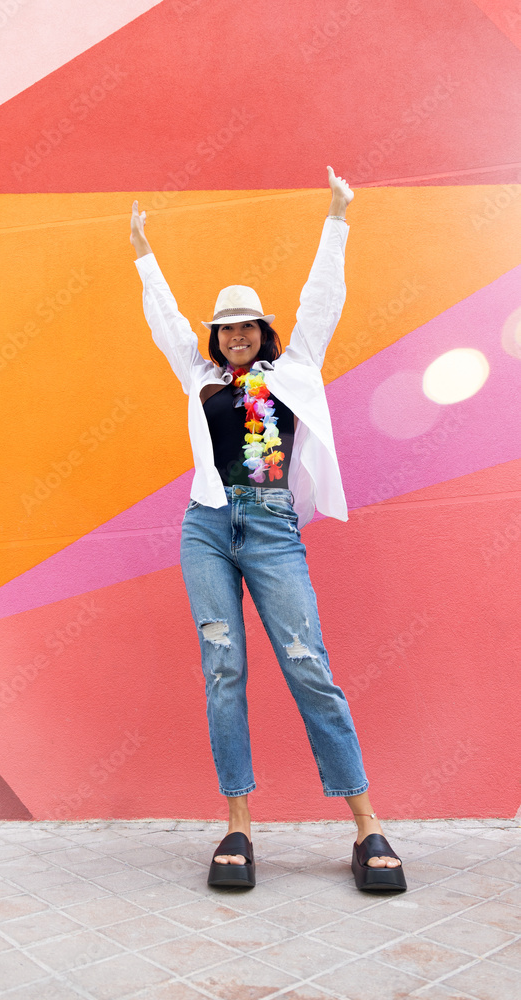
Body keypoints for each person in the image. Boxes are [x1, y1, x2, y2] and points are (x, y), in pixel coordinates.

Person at [130, 167, 406, 893]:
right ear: (216, 337)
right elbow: (165, 322)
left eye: (248, 324)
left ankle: (367, 824)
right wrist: (143, 253)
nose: (237, 335)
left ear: (264, 332)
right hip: (207, 527)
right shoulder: (200, 377)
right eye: (227, 327)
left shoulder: (293, 371)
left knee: (308, 665)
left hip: (272, 525)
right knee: (223, 670)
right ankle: (238, 826)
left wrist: (338, 216)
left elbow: (323, 299)